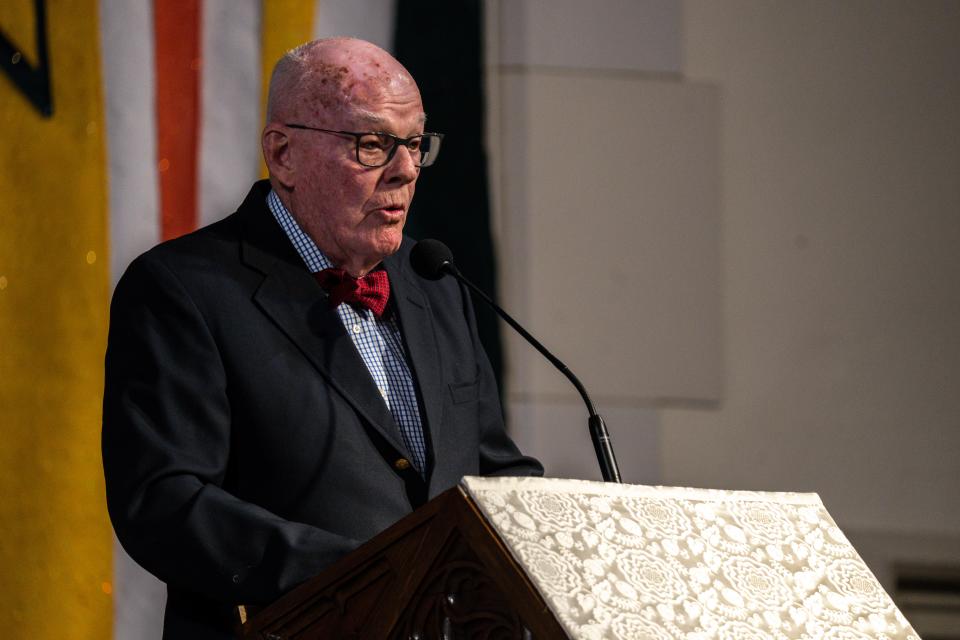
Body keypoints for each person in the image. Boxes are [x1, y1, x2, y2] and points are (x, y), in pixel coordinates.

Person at [102, 37, 542, 640]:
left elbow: (490, 469)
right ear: (283, 154)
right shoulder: (182, 287)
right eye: (372, 144)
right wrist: (359, 576)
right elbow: (164, 501)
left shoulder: (434, 281)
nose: (406, 169)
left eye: (414, 144)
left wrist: (571, 538)